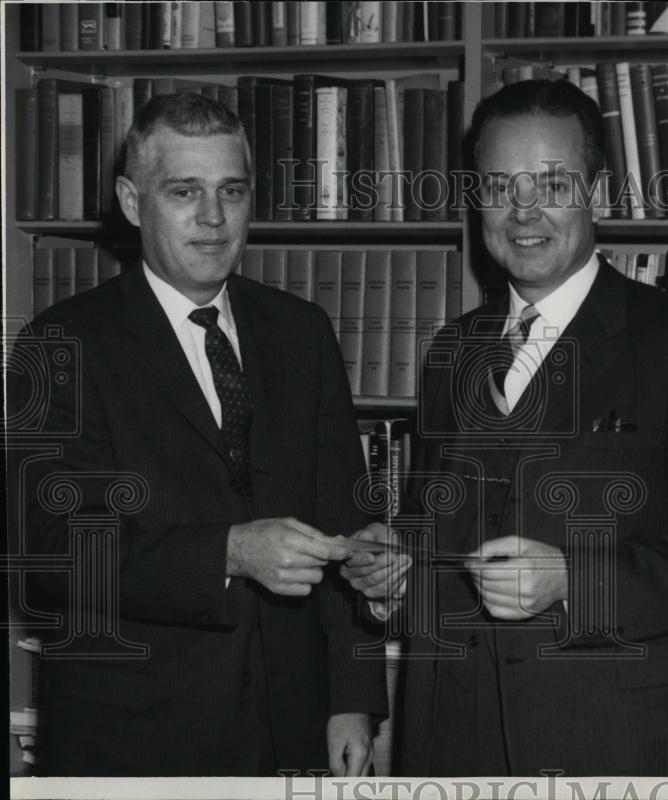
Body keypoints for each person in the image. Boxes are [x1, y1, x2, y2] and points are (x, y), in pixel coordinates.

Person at [339, 79, 668, 776]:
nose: (522, 211)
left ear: (598, 195)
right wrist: (391, 573)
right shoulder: (452, 351)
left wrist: (574, 582)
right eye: (500, 186)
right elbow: (434, 528)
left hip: (604, 742)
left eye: (552, 184)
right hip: (448, 742)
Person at [13, 93, 385, 776]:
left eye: (231, 191)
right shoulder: (60, 343)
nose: (213, 219)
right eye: (184, 191)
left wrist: (353, 698)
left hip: (292, 734)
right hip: (131, 746)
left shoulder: (303, 333)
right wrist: (230, 552)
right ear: (132, 201)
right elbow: (49, 553)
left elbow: (348, 519)